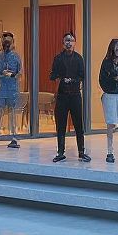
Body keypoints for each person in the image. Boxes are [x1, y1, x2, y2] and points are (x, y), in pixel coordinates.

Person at [49, 31, 90, 163]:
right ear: (63, 43)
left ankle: (81, 152)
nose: (69, 43)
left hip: (75, 96)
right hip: (61, 96)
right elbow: (52, 75)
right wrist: (60, 78)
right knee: (60, 125)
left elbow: (82, 75)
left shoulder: (79, 58)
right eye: (66, 40)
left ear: (74, 43)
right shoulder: (58, 58)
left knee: (79, 124)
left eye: (71, 40)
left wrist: (72, 80)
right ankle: (60, 152)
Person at [0, 31, 22, 149]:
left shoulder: (16, 57)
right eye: (5, 42)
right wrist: (1, 74)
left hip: (13, 88)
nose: (7, 44)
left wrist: (13, 75)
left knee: (12, 111)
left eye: (9, 42)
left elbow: (20, 74)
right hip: (2, 87)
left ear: (12, 42)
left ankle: (13, 134)